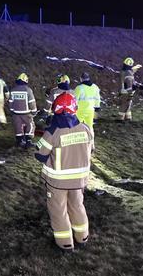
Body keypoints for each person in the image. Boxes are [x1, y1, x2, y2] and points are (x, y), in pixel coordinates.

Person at [34, 93, 95, 251]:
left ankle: (65, 243)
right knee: (77, 206)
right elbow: (91, 150)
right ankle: (82, 237)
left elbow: (40, 155)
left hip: (57, 182)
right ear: (74, 109)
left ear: (56, 109)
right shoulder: (85, 129)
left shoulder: (54, 131)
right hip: (79, 181)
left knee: (58, 211)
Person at [9, 73, 38, 148]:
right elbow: (32, 102)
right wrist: (34, 111)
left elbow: (10, 102)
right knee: (31, 125)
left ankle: (19, 141)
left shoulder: (13, 90)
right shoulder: (28, 90)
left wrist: (12, 110)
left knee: (18, 126)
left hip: (15, 113)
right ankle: (28, 142)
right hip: (26, 113)